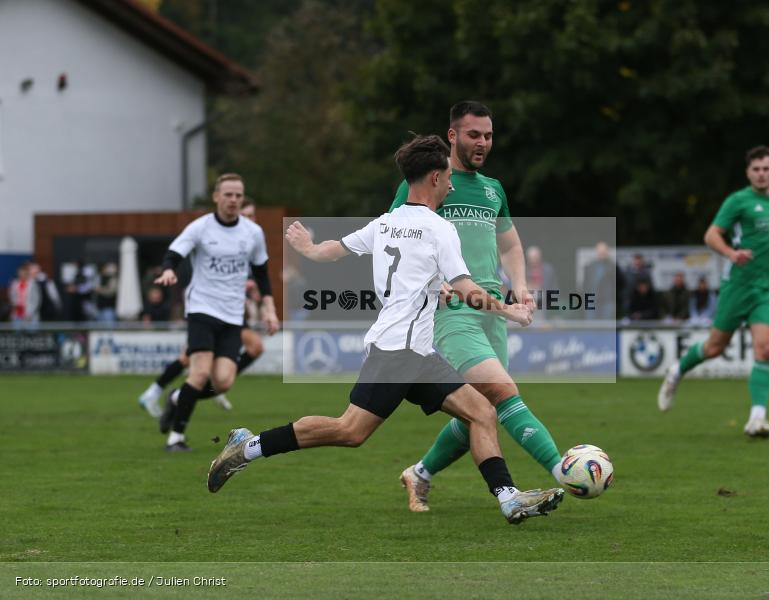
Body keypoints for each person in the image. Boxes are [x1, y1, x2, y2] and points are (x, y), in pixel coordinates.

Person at [207, 135, 565, 524]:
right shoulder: (438, 228)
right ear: (433, 177)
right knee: (349, 430)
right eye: (446, 177)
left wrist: (307, 247)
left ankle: (509, 498)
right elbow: (466, 288)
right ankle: (248, 446)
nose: (450, 183)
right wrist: (510, 312)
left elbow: (333, 250)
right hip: (398, 352)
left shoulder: (386, 223)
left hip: (416, 352)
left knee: (481, 412)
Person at [388, 101, 566, 513]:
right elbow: (395, 241)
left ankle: (420, 473)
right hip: (450, 313)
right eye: (473, 134)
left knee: (480, 407)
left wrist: (519, 287)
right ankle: (566, 471)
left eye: (487, 135)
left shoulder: (493, 188)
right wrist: (434, 283)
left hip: (492, 312)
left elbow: (510, 243)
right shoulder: (428, 182)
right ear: (453, 136)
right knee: (503, 394)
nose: (482, 142)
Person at [658, 146, 769, 438]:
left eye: (766, 169)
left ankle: (757, 419)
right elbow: (711, 235)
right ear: (748, 173)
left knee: (766, 350)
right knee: (714, 348)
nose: (761, 174)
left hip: (768, 289)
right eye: (756, 169)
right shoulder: (738, 201)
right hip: (738, 286)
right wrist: (732, 254)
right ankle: (676, 371)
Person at [152, 173, 279, 451]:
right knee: (198, 374)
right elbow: (174, 252)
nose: (233, 200)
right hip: (202, 309)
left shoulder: (252, 233)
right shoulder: (201, 227)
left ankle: (177, 399)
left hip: (233, 316)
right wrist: (169, 270)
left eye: (238, 195)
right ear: (216, 197)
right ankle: (176, 437)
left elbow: (262, 275)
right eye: (228, 195)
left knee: (222, 382)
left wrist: (270, 310)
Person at [138, 200, 268, 416]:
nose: (252, 220)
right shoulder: (211, 236)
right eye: (248, 215)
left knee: (194, 357)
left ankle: (161, 391)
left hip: (230, 309)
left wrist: (252, 290)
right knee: (196, 358)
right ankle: (168, 393)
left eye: (253, 215)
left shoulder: (249, 238)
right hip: (209, 307)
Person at [581, 242, 616, 321]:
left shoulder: (612, 266)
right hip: (591, 301)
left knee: (606, 327)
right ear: (597, 252)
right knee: (591, 326)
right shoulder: (590, 266)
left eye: (603, 252)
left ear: (607, 252)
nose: (602, 254)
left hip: (607, 301)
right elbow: (585, 284)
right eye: (600, 252)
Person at [8, 262, 40, 328]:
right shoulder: (14, 283)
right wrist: (15, 305)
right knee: (17, 332)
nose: (22, 274)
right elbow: (12, 296)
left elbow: (36, 300)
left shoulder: (33, 284)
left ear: (27, 273)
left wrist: (30, 313)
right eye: (20, 272)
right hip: (17, 313)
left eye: (24, 272)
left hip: (29, 314)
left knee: (30, 333)